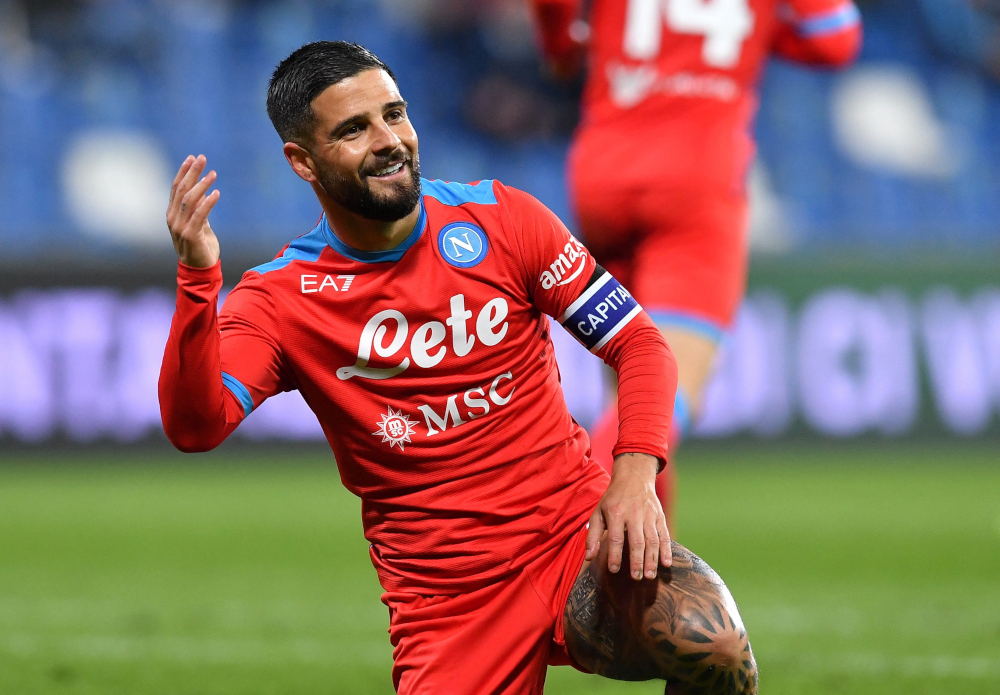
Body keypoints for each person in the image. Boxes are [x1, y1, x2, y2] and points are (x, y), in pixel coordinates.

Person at [159, 41, 757, 694]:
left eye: (394, 113)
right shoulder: (281, 298)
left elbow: (640, 343)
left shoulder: (503, 220)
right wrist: (198, 278)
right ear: (302, 160)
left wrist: (635, 473)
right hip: (449, 600)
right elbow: (197, 424)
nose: (389, 140)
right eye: (354, 129)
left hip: (572, 541)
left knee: (710, 642)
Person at [530, 0, 863, 524]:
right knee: (662, 399)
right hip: (695, 182)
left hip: (604, 173)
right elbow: (835, 39)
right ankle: (562, 523)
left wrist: (559, 43)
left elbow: (559, 37)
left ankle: (640, 592)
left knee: (634, 396)